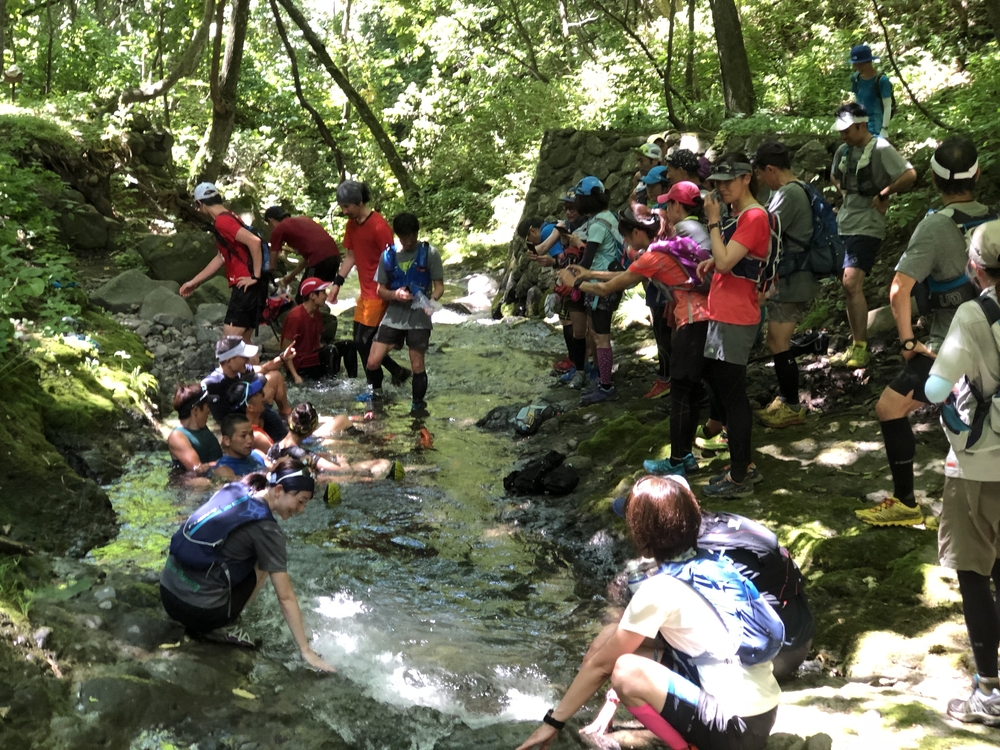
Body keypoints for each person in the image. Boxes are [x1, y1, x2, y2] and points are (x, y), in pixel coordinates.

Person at [515, 475, 780, 750]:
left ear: (641, 534)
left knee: (626, 671)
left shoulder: (659, 589)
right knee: (612, 636)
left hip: (735, 729)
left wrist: (553, 722)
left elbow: (602, 665)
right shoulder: (712, 564)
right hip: (763, 711)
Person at [858, 137, 991, 528]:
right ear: (977, 175)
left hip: (950, 347)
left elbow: (899, 289)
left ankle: (905, 503)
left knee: (889, 408)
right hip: (992, 341)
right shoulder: (995, 221)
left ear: (934, 179)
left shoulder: (934, 227)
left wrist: (907, 341)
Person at [562, 199, 711, 476]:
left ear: (638, 232)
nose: (627, 243)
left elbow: (608, 288)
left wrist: (577, 283)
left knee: (681, 393)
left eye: (627, 236)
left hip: (692, 321)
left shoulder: (654, 256)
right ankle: (687, 456)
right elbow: (628, 273)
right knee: (692, 391)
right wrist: (589, 273)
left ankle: (678, 461)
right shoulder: (663, 247)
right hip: (704, 319)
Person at [922, 220, 1000, 725]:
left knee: (975, 573)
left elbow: (935, 389)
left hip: (979, 464)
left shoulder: (973, 314)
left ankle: (989, 690)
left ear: (975, 268)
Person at [160, 457, 336, 672]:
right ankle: (227, 625)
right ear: (279, 490)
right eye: (300, 501)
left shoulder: (233, 489)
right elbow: (285, 597)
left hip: (167, 592)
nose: (301, 509)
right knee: (267, 560)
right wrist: (306, 651)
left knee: (246, 551)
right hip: (198, 611)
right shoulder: (267, 530)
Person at [697, 155, 772, 498]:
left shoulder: (754, 216)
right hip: (724, 313)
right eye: (718, 182)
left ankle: (740, 476)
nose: (722, 187)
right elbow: (730, 259)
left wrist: (713, 223)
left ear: (746, 179)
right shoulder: (740, 216)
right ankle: (743, 464)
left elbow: (728, 262)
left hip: (737, 316)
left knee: (733, 395)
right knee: (721, 387)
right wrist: (713, 261)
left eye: (729, 181)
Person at [830, 103, 917, 368]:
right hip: (845, 223)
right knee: (848, 287)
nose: (842, 135)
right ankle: (857, 344)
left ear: (861, 126)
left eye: (847, 130)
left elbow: (909, 174)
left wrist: (884, 193)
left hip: (867, 224)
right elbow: (834, 175)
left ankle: (861, 347)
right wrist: (844, 192)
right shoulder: (843, 151)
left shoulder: (880, 148)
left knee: (851, 282)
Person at [752, 142, 818, 428]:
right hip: (794, 277)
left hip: (793, 279)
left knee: (779, 341)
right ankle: (785, 399)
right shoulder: (799, 188)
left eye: (760, 174)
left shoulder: (788, 194)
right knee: (777, 340)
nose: (760, 181)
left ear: (770, 170)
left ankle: (791, 406)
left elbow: (765, 231)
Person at [328, 180, 409, 388]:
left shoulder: (379, 226)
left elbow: (391, 262)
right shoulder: (351, 225)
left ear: (359, 202)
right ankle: (397, 372)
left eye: (347, 206)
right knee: (361, 342)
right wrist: (337, 283)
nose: (344, 211)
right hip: (365, 294)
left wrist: (395, 298)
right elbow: (351, 256)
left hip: (378, 293)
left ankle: (376, 387)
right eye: (342, 207)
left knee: (363, 343)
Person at [364, 212, 445, 415]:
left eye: (412, 236)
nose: (409, 241)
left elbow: (439, 286)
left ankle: (417, 406)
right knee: (373, 361)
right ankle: (376, 394)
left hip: (419, 316)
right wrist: (395, 294)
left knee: (417, 364)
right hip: (394, 314)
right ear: (398, 235)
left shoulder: (430, 253)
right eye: (405, 237)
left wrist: (431, 301)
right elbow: (380, 290)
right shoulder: (388, 256)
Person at [180, 183, 268, 343]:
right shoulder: (230, 216)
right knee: (244, 342)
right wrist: (194, 282)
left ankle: (225, 364)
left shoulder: (222, 222)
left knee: (229, 340)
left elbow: (254, 241)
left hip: (246, 285)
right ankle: (251, 363)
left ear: (200, 203)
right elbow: (221, 257)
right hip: (251, 286)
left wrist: (255, 276)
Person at [575, 176, 624, 404]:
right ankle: (603, 380)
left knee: (601, 337)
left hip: (601, 285)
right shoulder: (609, 217)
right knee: (599, 334)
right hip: (612, 280)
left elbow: (586, 261)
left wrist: (568, 275)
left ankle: (606, 385)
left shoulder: (596, 225)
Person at [267, 402, 394, 480]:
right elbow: (344, 472)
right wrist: (343, 463)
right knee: (381, 463)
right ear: (312, 430)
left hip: (296, 481)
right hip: (321, 482)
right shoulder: (305, 455)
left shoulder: (274, 447)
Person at [202, 335, 293, 442]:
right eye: (243, 357)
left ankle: (286, 416)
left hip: (256, 413)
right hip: (239, 426)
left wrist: (282, 358)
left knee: (275, 375)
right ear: (229, 361)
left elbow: (264, 368)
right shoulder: (212, 383)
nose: (247, 359)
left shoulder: (242, 370)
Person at [263, 206, 341, 292]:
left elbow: (272, 266)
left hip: (319, 260)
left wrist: (265, 277)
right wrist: (291, 276)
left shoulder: (278, 229)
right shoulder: (304, 220)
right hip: (335, 257)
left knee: (305, 294)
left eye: (268, 224)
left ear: (271, 220)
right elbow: (307, 259)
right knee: (318, 294)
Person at [280, 277, 337, 384]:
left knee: (347, 345)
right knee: (330, 350)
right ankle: (332, 384)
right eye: (323, 292)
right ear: (312, 296)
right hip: (300, 364)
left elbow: (317, 343)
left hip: (313, 359)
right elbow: (285, 351)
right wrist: (295, 376)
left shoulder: (317, 314)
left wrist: (335, 357)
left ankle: (349, 380)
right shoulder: (295, 317)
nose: (326, 296)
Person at [168, 383, 222, 475]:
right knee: (202, 482)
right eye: (207, 407)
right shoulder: (177, 436)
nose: (209, 411)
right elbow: (197, 469)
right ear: (195, 410)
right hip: (192, 480)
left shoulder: (202, 427)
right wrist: (225, 463)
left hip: (215, 473)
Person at [849, 44, 894, 138]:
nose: (856, 67)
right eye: (855, 64)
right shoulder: (856, 78)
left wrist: (884, 128)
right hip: (860, 125)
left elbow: (887, 106)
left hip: (875, 126)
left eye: (860, 64)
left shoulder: (882, 81)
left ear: (869, 62)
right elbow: (857, 100)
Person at [212, 414, 268, 479]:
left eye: (251, 434)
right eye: (243, 436)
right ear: (227, 440)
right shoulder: (223, 469)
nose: (250, 440)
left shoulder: (257, 455)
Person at [226, 377, 273, 453]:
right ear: (250, 407)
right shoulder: (256, 436)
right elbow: (279, 458)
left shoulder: (252, 428)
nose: (263, 395)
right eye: (259, 393)